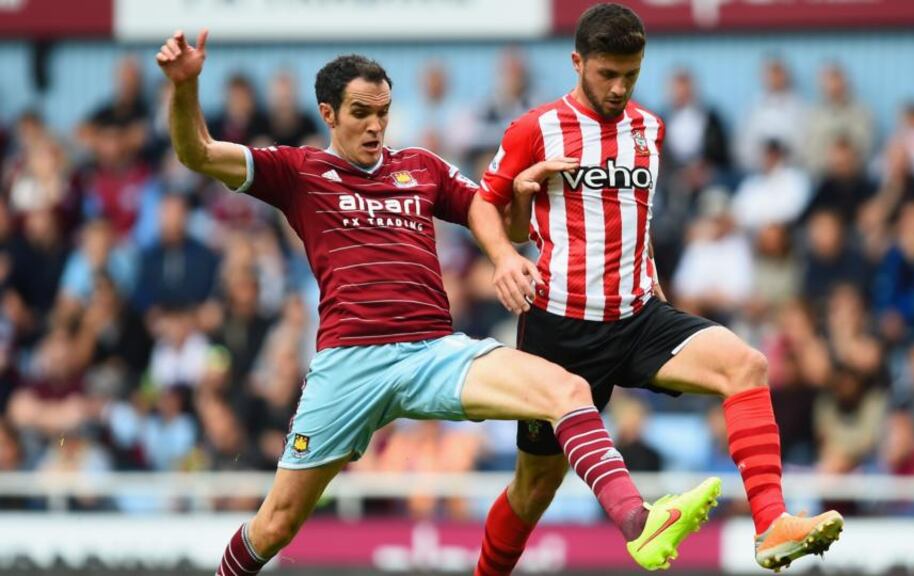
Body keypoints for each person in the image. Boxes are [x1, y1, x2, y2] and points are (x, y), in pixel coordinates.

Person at [155, 29, 718, 576]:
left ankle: (638, 522)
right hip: (350, 364)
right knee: (276, 524)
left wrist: (507, 243)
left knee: (567, 390)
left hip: (433, 353)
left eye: (383, 112)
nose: (375, 126)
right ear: (328, 114)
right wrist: (184, 87)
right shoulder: (298, 171)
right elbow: (197, 152)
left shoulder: (420, 167)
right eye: (360, 113)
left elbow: (483, 208)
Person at [476, 4, 843, 574]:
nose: (619, 88)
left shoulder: (651, 127)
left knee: (745, 364)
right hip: (561, 328)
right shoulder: (535, 128)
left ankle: (771, 524)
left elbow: (635, 220)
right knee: (535, 488)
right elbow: (485, 203)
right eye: (607, 74)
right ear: (577, 63)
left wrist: (654, 286)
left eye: (631, 74)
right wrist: (504, 256)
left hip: (640, 315)